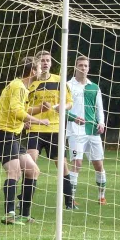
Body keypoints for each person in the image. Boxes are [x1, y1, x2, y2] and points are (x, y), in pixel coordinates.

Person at [0, 57, 50, 225]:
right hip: (1, 132)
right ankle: (9, 214)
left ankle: (25, 215)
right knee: (14, 171)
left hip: (11, 135)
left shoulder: (22, 87)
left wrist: (39, 110)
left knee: (33, 170)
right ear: (33, 71)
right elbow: (17, 112)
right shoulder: (18, 87)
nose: (41, 70)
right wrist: (39, 121)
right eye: (39, 67)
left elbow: (21, 110)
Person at [26, 50, 84, 210]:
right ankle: (24, 202)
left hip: (55, 129)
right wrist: (27, 118)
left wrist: (61, 107)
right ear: (37, 64)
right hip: (36, 128)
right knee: (30, 164)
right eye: (42, 61)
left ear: (51, 63)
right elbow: (24, 107)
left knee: (62, 166)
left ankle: (69, 201)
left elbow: (70, 102)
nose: (45, 63)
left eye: (47, 60)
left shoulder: (59, 81)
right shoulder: (31, 83)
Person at [67, 56, 107, 205]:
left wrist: (101, 122)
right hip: (75, 131)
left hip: (93, 131)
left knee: (98, 164)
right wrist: (73, 118)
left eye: (85, 66)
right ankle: (71, 198)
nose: (83, 68)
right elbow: (61, 109)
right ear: (75, 67)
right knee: (77, 163)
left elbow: (99, 108)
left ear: (88, 68)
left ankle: (101, 196)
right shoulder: (68, 86)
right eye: (80, 65)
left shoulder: (94, 86)